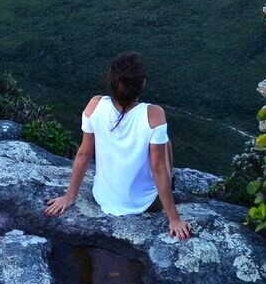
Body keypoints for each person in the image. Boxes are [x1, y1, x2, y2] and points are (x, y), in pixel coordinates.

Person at [43, 51, 193, 240]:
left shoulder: (94, 105)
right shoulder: (154, 114)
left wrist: (69, 197)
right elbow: (158, 169)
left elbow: (84, 154)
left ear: (111, 82)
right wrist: (174, 219)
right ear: (143, 84)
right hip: (144, 203)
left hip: (103, 197)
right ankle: (170, 183)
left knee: (159, 142)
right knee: (165, 143)